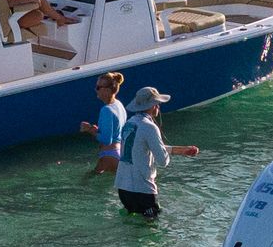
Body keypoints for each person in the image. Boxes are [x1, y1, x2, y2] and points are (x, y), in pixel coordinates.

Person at [115, 85, 197, 218]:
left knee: (131, 222)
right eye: (158, 103)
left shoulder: (129, 124)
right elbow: (162, 161)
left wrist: (181, 150)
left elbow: (139, 149)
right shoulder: (150, 127)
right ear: (153, 105)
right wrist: (168, 154)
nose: (159, 106)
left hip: (123, 188)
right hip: (142, 189)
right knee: (151, 230)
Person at [78, 70, 128, 175]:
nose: (95, 90)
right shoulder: (119, 105)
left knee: (85, 183)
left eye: (98, 87)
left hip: (108, 155)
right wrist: (97, 130)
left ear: (108, 90)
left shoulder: (106, 110)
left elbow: (106, 140)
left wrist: (90, 129)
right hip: (119, 152)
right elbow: (115, 131)